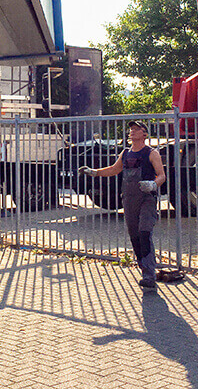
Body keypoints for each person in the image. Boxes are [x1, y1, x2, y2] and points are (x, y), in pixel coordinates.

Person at [78, 121, 166, 291]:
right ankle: (144, 268)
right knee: (134, 236)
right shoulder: (125, 153)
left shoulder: (151, 153)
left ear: (145, 134)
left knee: (144, 232)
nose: (132, 132)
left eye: (136, 129)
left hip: (146, 199)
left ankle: (149, 275)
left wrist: (153, 185)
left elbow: (161, 175)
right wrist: (94, 172)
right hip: (129, 200)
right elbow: (113, 169)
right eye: (131, 129)